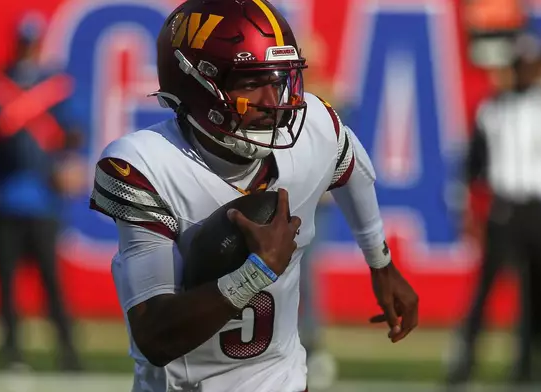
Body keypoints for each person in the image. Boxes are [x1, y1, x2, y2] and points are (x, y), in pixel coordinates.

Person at [89, 1, 419, 391]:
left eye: (279, 79)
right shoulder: (147, 164)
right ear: (197, 85)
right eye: (250, 83)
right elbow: (154, 337)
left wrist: (380, 262)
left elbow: (352, 170)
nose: (272, 101)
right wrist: (255, 272)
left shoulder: (314, 127)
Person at [0, 13, 85, 371]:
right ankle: (12, 350)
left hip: (43, 200)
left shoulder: (54, 85)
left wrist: (71, 161)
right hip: (4, 198)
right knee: (6, 283)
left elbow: (74, 131)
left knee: (51, 282)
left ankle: (68, 351)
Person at [448, 33, 541, 389]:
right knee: (484, 292)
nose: (524, 74)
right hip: (505, 209)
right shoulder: (493, 109)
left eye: (529, 67)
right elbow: (472, 163)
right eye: (519, 67)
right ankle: (463, 365)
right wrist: (465, 208)